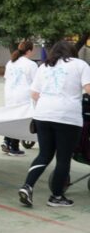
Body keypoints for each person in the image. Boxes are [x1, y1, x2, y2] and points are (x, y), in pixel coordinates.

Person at [19, 41, 90, 208]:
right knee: (63, 158)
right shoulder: (80, 65)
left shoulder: (44, 66)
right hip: (67, 117)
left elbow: (34, 93)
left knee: (44, 154)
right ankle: (56, 196)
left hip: (43, 115)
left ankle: (27, 186)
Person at [2, 41, 38, 155]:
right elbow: (37, 83)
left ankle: (6, 141)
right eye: (33, 49)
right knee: (20, 120)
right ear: (29, 51)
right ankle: (14, 147)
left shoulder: (10, 62)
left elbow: (6, 78)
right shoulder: (31, 65)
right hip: (23, 95)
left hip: (9, 93)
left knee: (11, 118)